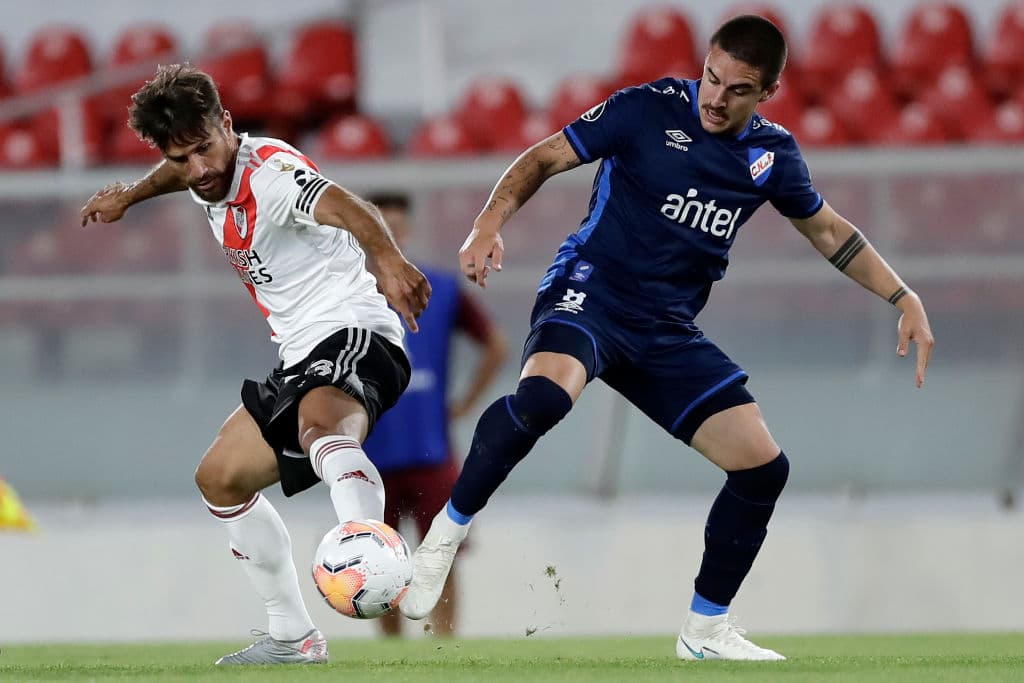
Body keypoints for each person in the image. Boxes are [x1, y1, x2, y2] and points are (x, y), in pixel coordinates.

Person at [398, 15, 934, 661]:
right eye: (711, 76)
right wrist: (488, 223)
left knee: (763, 467)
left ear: (767, 92)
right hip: (591, 292)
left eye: (737, 89)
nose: (715, 97)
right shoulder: (645, 109)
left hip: (666, 329)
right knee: (543, 399)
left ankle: (704, 631)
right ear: (702, 64)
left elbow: (827, 232)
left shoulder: (773, 157)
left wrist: (903, 295)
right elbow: (544, 157)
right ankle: (444, 536)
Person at [79, 64, 431, 666]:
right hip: (299, 354)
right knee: (219, 478)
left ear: (228, 126)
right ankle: (294, 637)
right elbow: (179, 169)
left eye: (205, 150)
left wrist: (388, 261)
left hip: (354, 332)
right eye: (182, 157)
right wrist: (131, 195)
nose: (199, 170)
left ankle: (370, 549)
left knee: (320, 427)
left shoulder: (272, 174)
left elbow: (353, 207)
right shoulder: (201, 169)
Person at [361, 193, 508, 637]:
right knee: (377, 567)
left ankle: (445, 649)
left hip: (430, 448)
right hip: (369, 455)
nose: (393, 236)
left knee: (441, 557)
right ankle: (392, 656)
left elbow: (496, 345)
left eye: (397, 227)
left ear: (408, 230)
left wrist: (463, 403)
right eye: (381, 229)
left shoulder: (440, 289)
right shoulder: (349, 293)